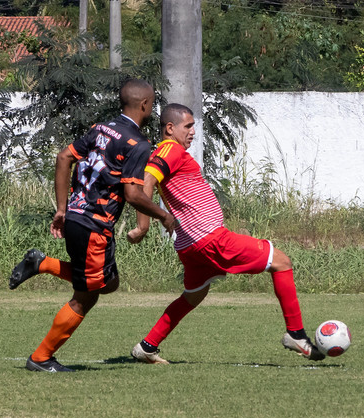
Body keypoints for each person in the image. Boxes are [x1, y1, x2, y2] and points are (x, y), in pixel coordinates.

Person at [126, 103, 317, 365]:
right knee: (282, 262)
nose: (193, 131)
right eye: (188, 126)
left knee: (193, 295)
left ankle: (147, 346)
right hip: (209, 239)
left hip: (188, 243)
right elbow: (146, 182)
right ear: (170, 128)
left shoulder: (166, 151)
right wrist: (144, 226)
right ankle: (296, 334)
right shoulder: (170, 149)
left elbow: (150, 182)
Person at [8, 79, 176, 373]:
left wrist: (62, 208)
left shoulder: (101, 129)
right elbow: (133, 194)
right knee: (86, 296)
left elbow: (64, 157)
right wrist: (163, 216)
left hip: (76, 218)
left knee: (108, 283)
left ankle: (41, 263)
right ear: (145, 106)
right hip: (94, 227)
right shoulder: (139, 144)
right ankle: (41, 357)